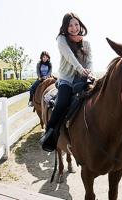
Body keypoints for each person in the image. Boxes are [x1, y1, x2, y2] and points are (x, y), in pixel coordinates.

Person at [39, 12, 92, 152]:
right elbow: (69, 56)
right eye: (70, 25)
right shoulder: (62, 39)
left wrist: (90, 72)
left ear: (80, 25)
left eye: (76, 24)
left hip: (82, 78)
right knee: (62, 103)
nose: (74, 28)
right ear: (65, 27)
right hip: (66, 79)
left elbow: (89, 61)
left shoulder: (86, 43)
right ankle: (50, 134)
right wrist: (81, 69)